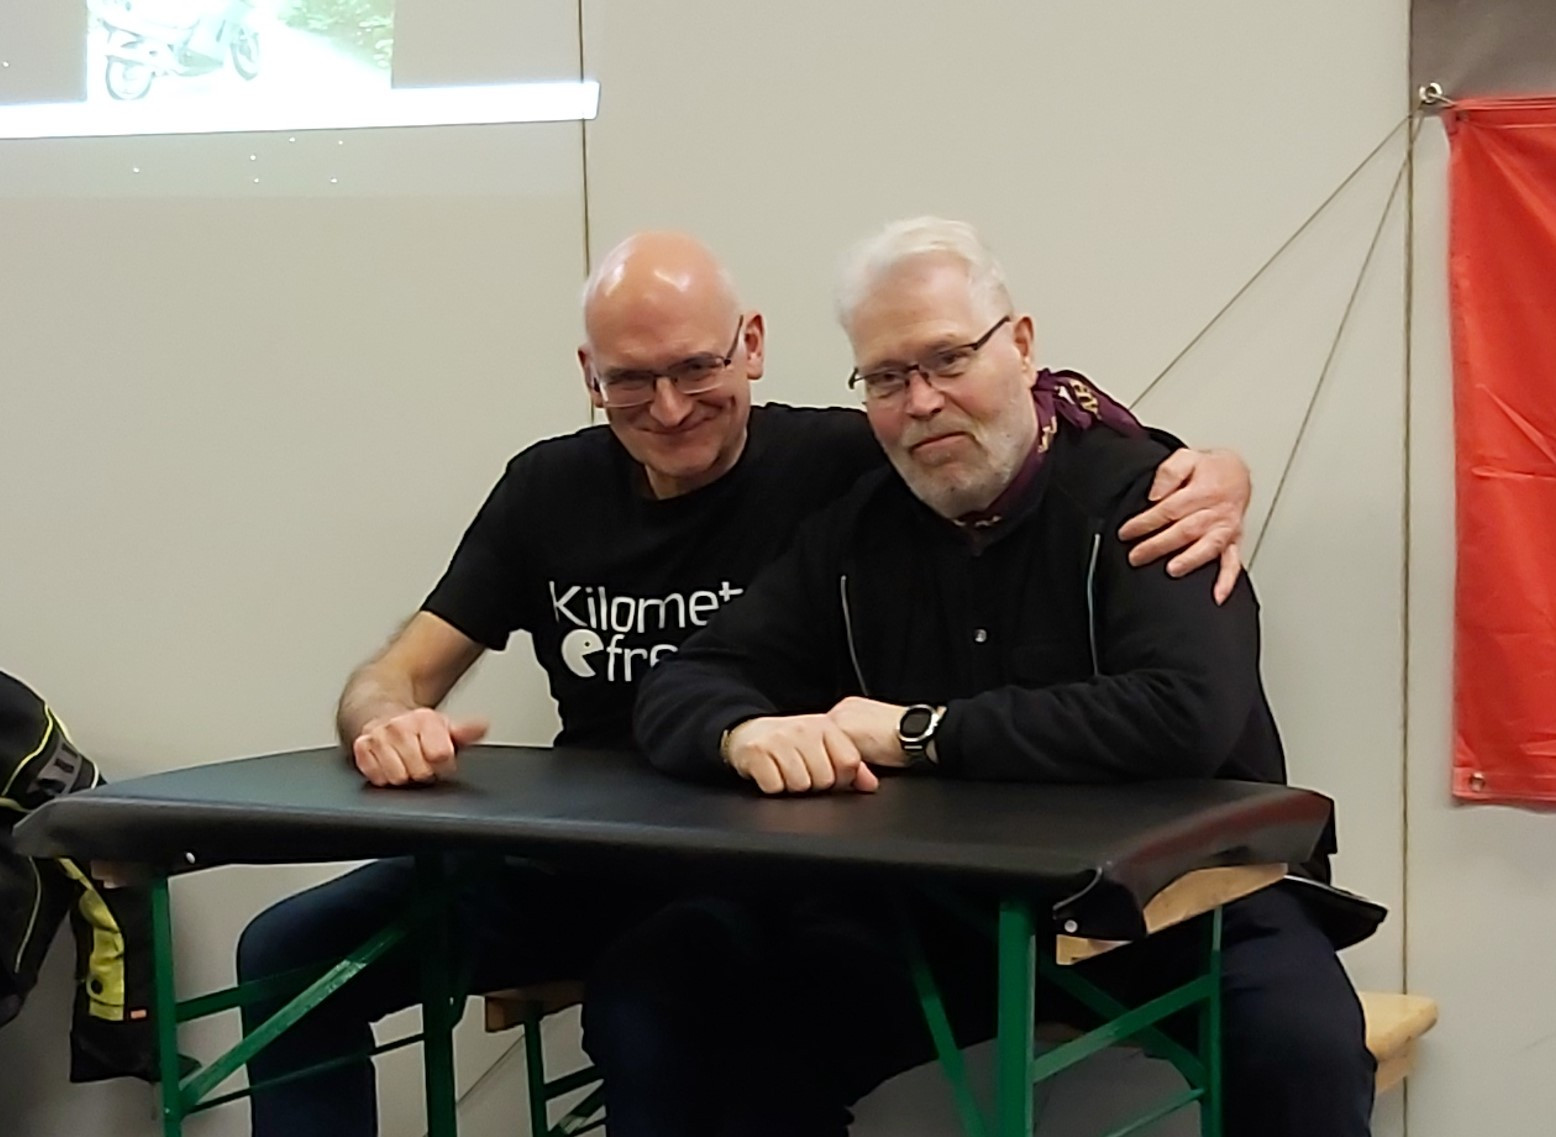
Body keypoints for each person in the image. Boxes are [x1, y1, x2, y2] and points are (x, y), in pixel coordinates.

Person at [235, 230, 1254, 1137]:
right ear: (589, 375)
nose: (670, 407)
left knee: (652, 1008)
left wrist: (1206, 467)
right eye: (631, 380)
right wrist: (383, 720)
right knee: (288, 949)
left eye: (696, 368)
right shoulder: (547, 484)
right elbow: (398, 673)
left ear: (751, 347)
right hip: (571, 858)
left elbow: (1015, 417)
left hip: (751, 868)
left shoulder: (842, 459)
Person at [621, 217, 1374, 1137]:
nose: (923, 400)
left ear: (1019, 345)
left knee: (1305, 1048)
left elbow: (1185, 714)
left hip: (1181, 904)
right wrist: (744, 731)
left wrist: (917, 733)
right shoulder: (857, 530)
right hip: (946, 914)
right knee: (699, 995)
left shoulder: (1151, 497)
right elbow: (686, 681)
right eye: (887, 377)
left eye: (948, 358)